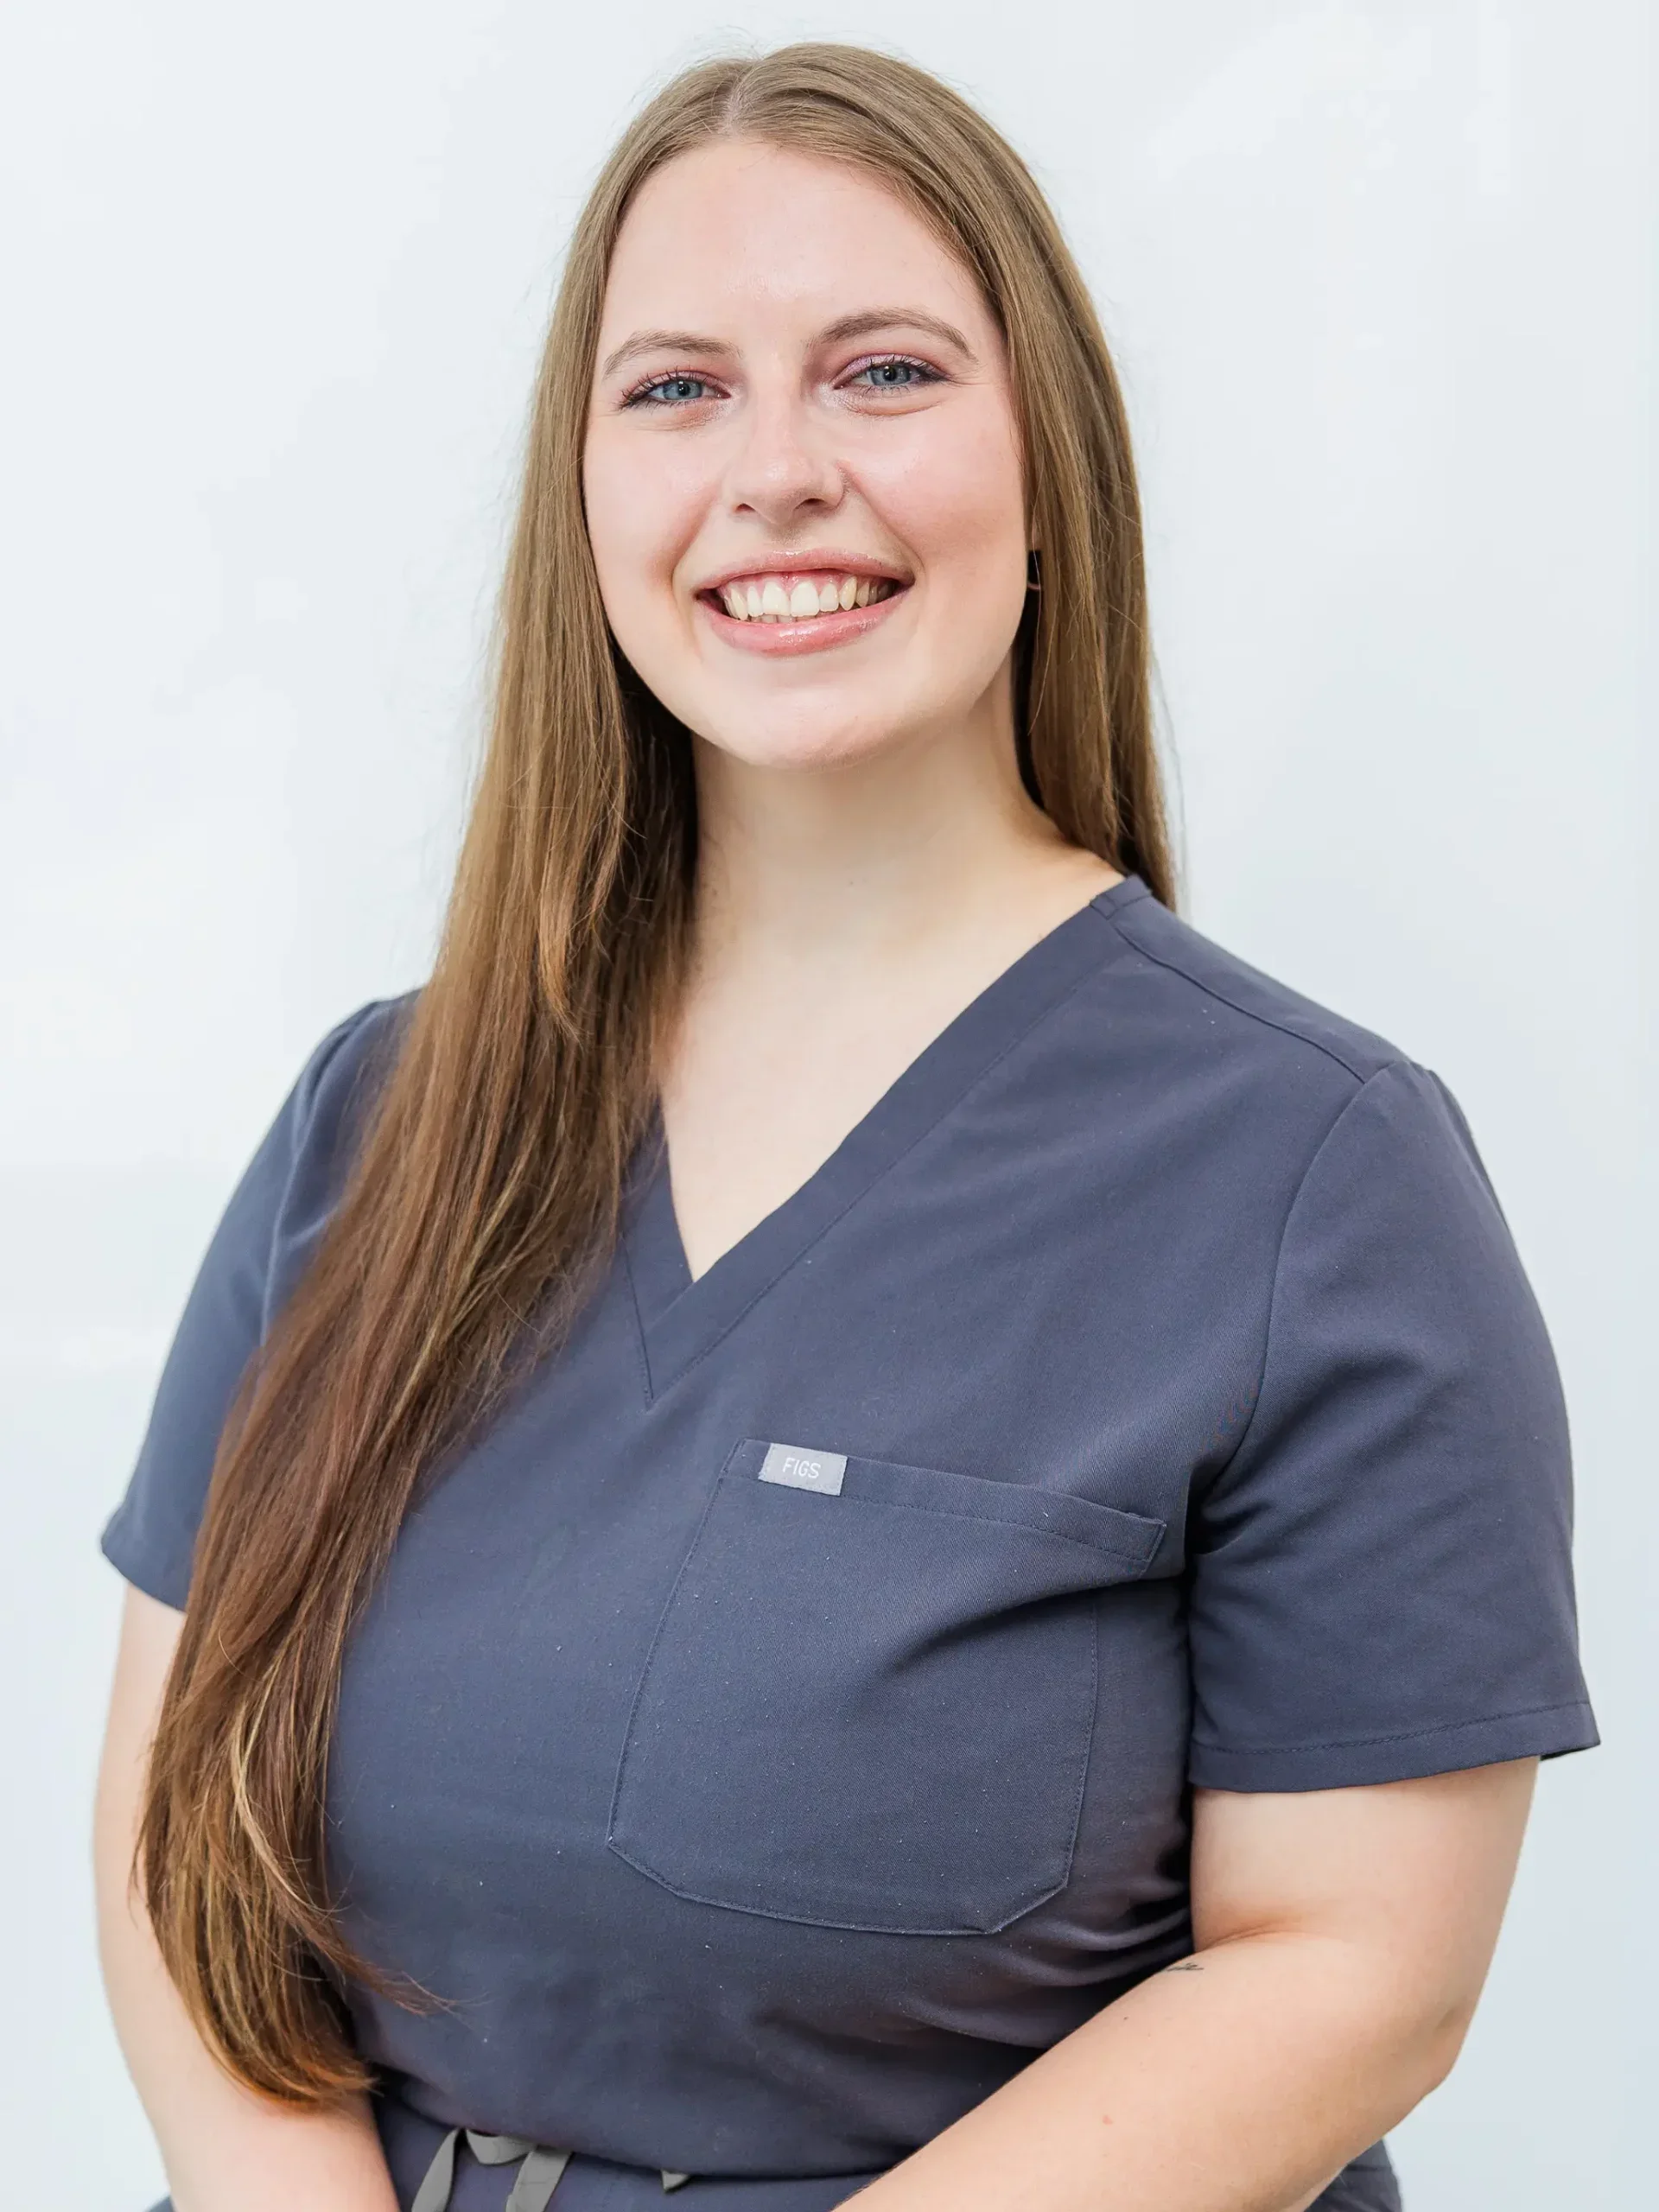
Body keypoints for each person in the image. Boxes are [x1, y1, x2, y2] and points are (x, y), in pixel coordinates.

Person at [92, 41, 1599, 2212]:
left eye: (883, 372)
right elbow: (176, 1824)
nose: (775, 470)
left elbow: (1357, 1968)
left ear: (1047, 456)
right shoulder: (379, 1111)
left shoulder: (1314, 1175)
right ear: (585, 492)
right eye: (678, 389)